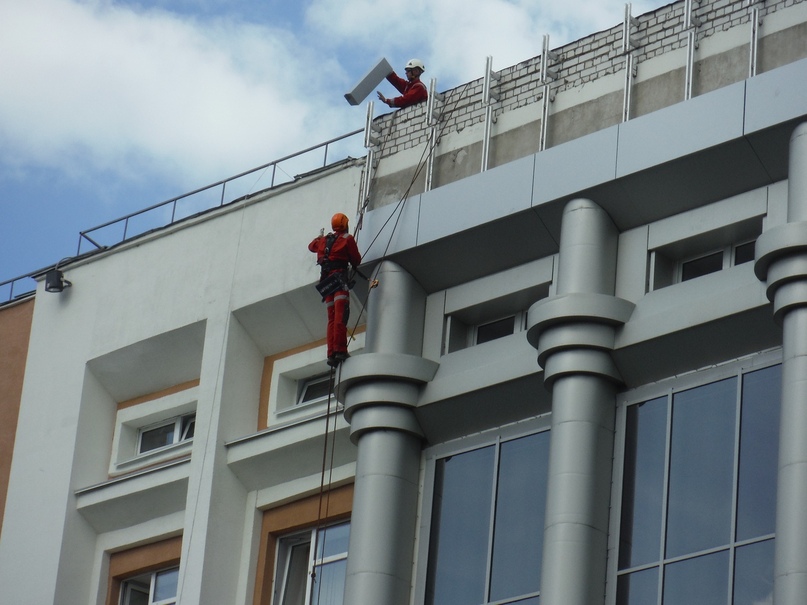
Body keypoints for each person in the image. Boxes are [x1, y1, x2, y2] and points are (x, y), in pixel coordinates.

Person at [309, 213, 362, 366]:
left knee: (331, 318)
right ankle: (340, 350)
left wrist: (320, 238)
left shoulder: (324, 241)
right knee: (340, 315)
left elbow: (311, 246)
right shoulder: (347, 239)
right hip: (339, 282)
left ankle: (331, 353)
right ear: (345, 224)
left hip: (327, 284)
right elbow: (356, 260)